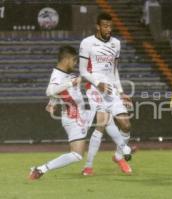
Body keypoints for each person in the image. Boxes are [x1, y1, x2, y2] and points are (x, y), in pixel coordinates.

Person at [79, 12, 134, 175]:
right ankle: (88, 166)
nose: (109, 29)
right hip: (94, 88)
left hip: (111, 89)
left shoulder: (116, 43)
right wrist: (98, 83)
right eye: (105, 26)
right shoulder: (87, 43)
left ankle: (118, 157)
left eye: (110, 26)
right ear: (98, 26)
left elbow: (114, 70)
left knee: (126, 124)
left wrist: (121, 91)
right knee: (102, 124)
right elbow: (82, 71)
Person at [29, 46, 91, 180]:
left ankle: (122, 152)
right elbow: (50, 90)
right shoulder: (57, 75)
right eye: (74, 60)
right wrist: (71, 83)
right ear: (67, 59)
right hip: (73, 116)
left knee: (107, 119)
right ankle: (41, 169)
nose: (75, 63)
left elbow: (57, 93)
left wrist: (52, 102)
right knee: (77, 155)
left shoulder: (66, 74)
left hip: (81, 113)